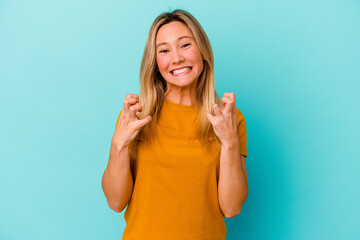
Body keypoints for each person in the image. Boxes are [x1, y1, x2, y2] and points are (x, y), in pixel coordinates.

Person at [101, 9, 248, 240]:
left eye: (185, 45)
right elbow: (115, 202)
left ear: (203, 51)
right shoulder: (135, 116)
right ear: (156, 62)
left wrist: (229, 142)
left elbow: (232, 208)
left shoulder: (228, 118)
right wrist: (118, 145)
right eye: (164, 50)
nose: (177, 58)